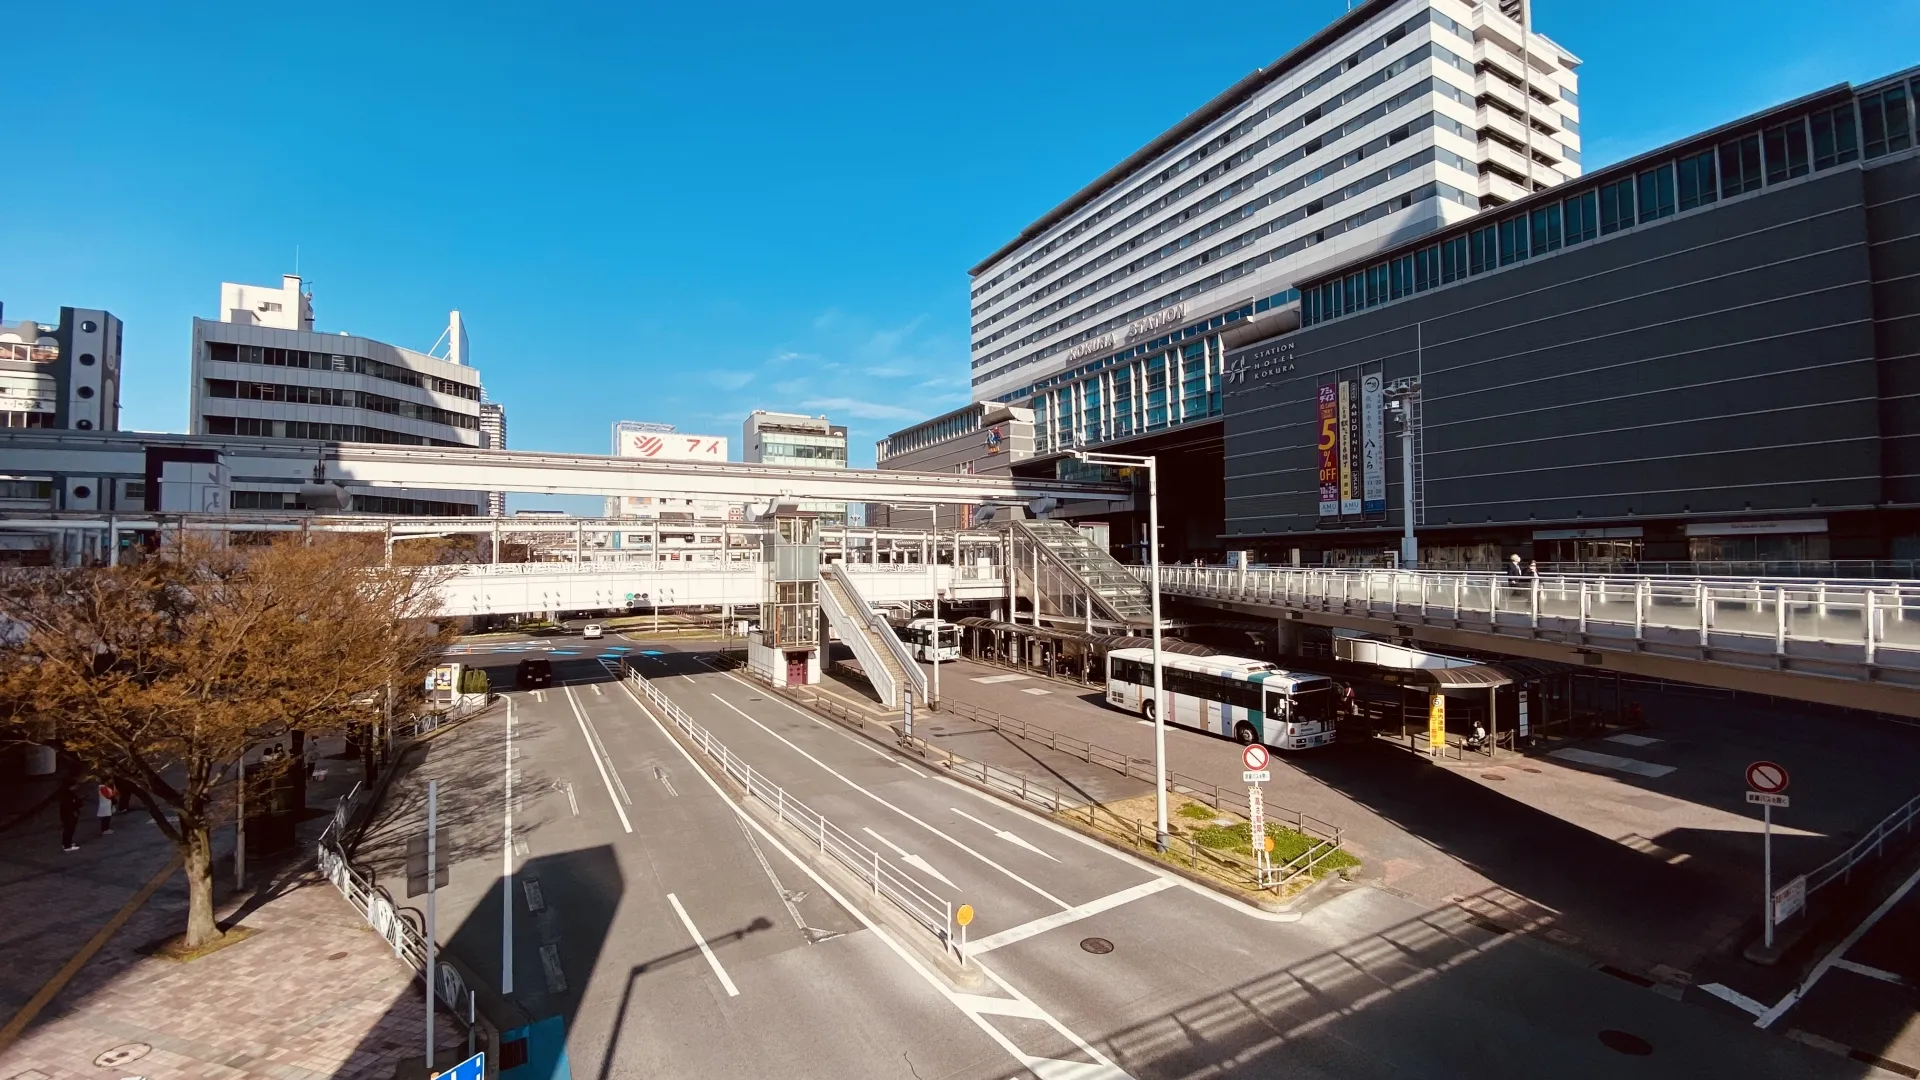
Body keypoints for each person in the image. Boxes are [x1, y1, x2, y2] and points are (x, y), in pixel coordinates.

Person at [58, 782, 83, 852]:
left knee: (68, 830)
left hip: (66, 815)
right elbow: (71, 805)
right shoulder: (68, 796)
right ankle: (67, 846)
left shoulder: (66, 794)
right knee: (69, 830)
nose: (77, 786)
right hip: (69, 816)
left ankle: (66, 843)